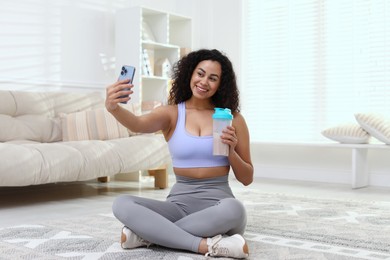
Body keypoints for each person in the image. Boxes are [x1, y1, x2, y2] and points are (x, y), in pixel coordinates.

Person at [105, 49, 253, 258]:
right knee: (121, 204)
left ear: (222, 84)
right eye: (200, 74)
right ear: (190, 74)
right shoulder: (172, 113)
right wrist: (113, 108)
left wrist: (230, 152)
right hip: (178, 206)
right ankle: (205, 246)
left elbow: (247, 178)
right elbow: (137, 124)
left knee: (236, 210)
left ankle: (149, 235)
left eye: (213, 78)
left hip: (218, 207)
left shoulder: (233, 118)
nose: (204, 82)